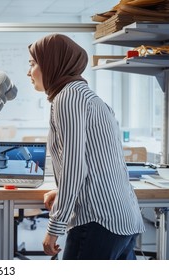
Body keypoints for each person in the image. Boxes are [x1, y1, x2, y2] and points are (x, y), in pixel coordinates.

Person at [27, 34, 145, 260]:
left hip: (97, 221)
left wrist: (55, 227)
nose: (28, 72)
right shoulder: (88, 96)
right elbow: (96, 162)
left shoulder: (67, 98)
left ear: (52, 64)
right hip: (122, 219)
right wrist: (63, 193)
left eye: (33, 64)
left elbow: (74, 167)